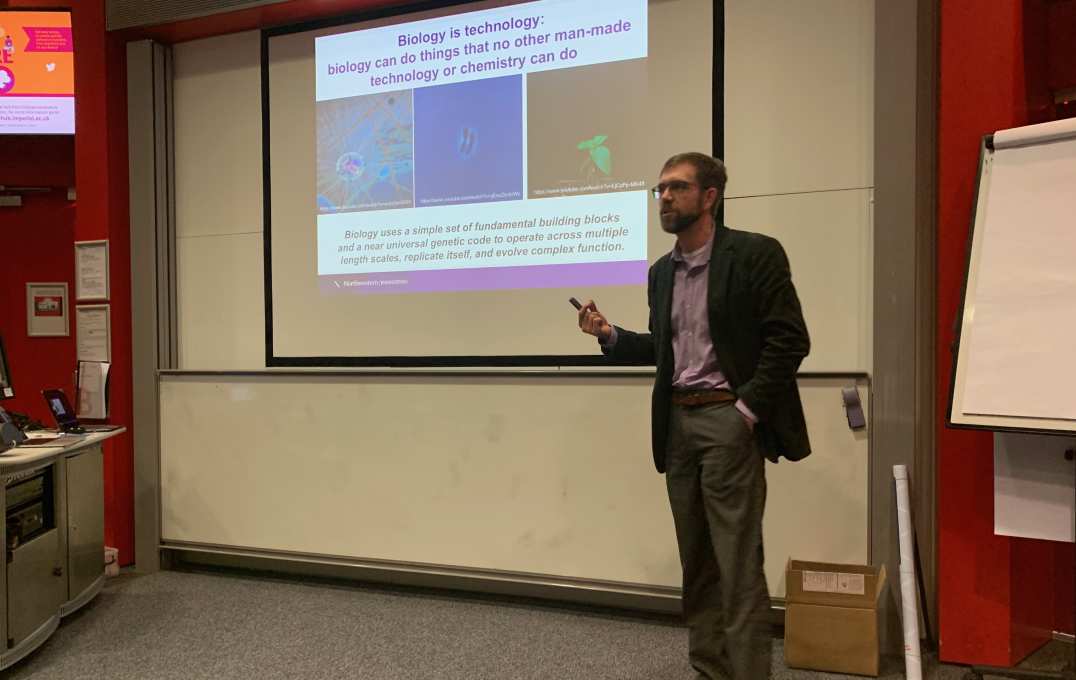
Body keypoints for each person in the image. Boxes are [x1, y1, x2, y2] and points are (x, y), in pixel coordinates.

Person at [576, 152, 810, 680]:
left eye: (677, 188)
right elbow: (666, 348)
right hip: (678, 425)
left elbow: (789, 339)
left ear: (710, 197)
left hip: (728, 422)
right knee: (698, 565)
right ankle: (709, 669)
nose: (665, 198)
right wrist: (610, 336)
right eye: (659, 189)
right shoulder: (662, 273)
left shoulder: (754, 255)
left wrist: (746, 410)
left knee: (738, 563)